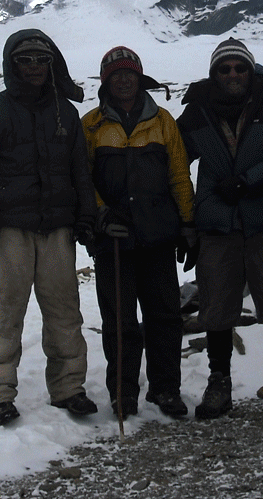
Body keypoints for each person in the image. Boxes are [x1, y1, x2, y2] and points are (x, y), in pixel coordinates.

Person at [0, 28, 99, 426]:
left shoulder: (64, 112)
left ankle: (69, 388)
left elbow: (79, 173)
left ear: (52, 64)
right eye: (26, 60)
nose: (35, 67)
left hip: (57, 228)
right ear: (12, 64)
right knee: (6, 311)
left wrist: (85, 218)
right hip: (8, 229)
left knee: (64, 311)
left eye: (42, 60)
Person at [176, 37, 263, 421]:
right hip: (217, 225)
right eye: (224, 68)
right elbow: (174, 159)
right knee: (217, 305)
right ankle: (219, 383)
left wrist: (247, 181)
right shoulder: (198, 112)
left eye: (239, 67)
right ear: (214, 74)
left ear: (250, 72)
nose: (232, 74)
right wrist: (186, 216)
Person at [81, 46, 196, 419]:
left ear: (140, 78)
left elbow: (179, 174)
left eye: (130, 73)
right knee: (119, 320)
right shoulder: (92, 125)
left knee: (165, 318)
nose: (125, 80)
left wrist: (187, 223)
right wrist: (99, 215)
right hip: (112, 241)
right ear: (106, 82)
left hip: (158, 237)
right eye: (117, 75)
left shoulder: (164, 122)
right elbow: (81, 179)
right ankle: (122, 392)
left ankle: (165, 389)